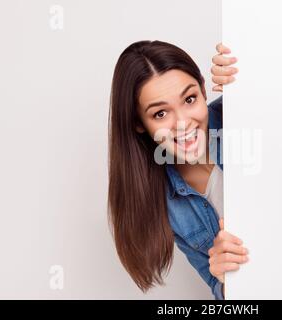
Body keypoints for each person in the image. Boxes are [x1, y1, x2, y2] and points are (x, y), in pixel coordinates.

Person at [108, 40, 247, 300]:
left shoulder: (242, 115)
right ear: (139, 123)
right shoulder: (165, 204)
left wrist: (250, 71)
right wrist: (224, 279)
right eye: (160, 114)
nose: (183, 123)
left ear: (204, 90)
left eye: (189, 99)